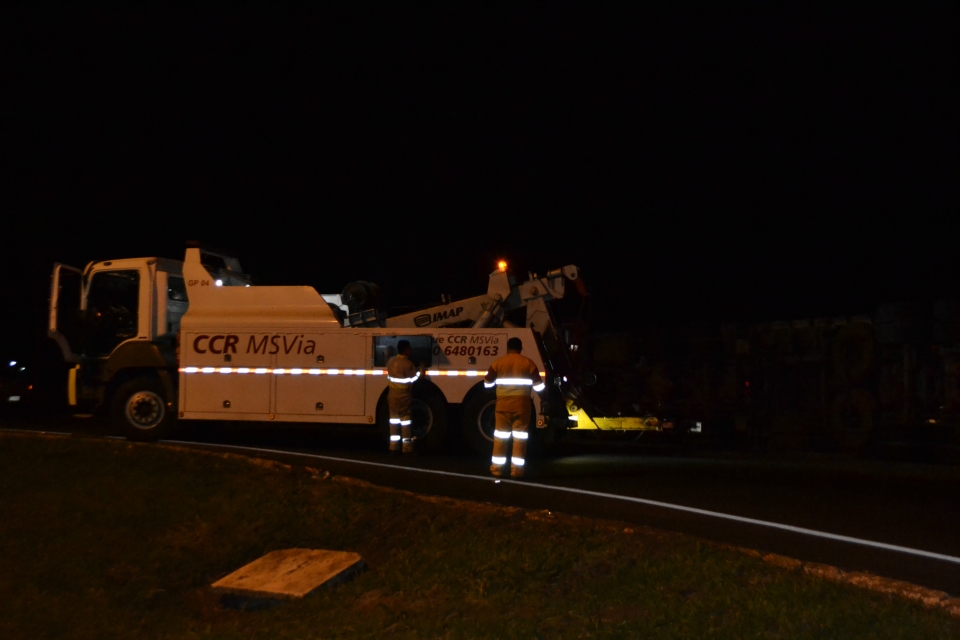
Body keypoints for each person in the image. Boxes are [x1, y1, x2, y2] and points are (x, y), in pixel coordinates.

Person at [484, 337, 545, 478]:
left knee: (500, 438)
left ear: (507, 348)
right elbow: (539, 386)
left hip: (502, 405)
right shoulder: (528, 362)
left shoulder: (498, 362)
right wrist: (545, 398)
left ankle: (496, 470)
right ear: (520, 348)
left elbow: (487, 383)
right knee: (520, 439)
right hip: (522, 406)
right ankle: (517, 471)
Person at [386, 340, 422, 454]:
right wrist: (421, 370)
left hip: (392, 395)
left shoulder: (390, 361)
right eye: (409, 348)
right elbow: (414, 378)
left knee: (393, 421)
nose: (410, 350)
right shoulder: (408, 364)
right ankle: (407, 447)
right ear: (406, 349)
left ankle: (393, 446)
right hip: (404, 396)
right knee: (405, 421)